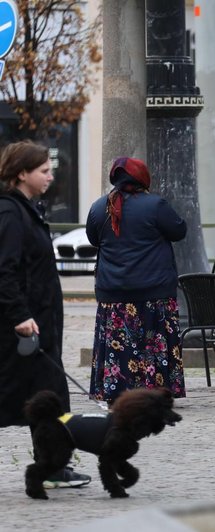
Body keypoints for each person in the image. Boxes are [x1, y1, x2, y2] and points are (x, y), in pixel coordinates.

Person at [0, 140, 91, 488]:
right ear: (22, 173)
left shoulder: (27, 209)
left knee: (47, 397)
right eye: (44, 171)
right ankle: (52, 467)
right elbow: (4, 270)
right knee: (38, 396)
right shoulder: (10, 213)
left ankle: (53, 467)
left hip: (39, 324)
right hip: (22, 329)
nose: (51, 177)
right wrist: (20, 315)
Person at [85, 157, 187, 405]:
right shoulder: (156, 205)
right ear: (143, 179)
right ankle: (155, 388)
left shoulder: (100, 207)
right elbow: (179, 231)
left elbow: (92, 239)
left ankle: (116, 389)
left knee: (119, 344)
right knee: (153, 343)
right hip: (154, 292)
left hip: (113, 293)